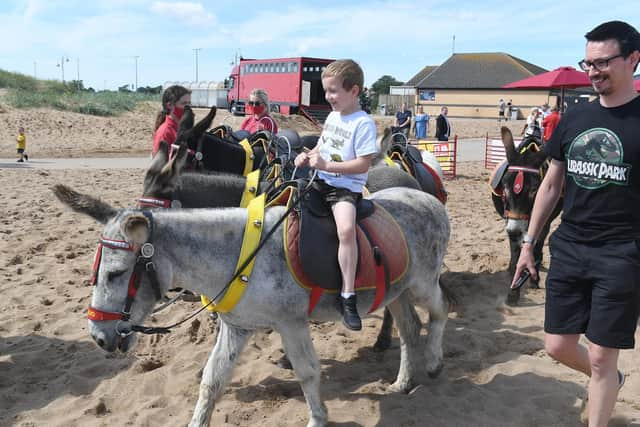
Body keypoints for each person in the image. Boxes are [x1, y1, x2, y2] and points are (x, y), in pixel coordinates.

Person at [512, 20, 640, 427]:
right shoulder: (573, 117)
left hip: (623, 252)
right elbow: (552, 183)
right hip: (569, 246)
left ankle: (602, 394)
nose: (593, 71)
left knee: (602, 355)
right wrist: (529, 243)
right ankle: (610, 380)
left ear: (633, 60)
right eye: (587, 63)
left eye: (603, 62)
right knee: (557, 346)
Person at [294, 59, 377, 331]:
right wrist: (308, 156)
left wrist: (328, 165)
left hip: (345, 188)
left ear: (354, 91)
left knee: (345, 231)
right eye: (326, 90)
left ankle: (348, 295)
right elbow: (323, 144)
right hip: (320, 179)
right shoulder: (331, 117)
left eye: (333, 91)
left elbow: (363, 164)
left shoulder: (363, 123)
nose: (328, 97)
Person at [152, 85, 191, 156]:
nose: (188, 108)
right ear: (169, 105)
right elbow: (159, 165)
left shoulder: (185, 129)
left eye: (189, 103)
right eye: (184, 103)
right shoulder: (164, 133)